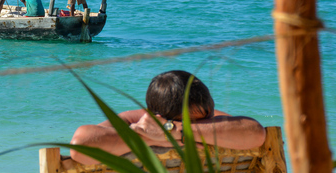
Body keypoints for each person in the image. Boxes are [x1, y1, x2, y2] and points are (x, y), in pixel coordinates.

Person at [69, 70, 266, 165]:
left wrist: (173, 132)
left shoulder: (204, 117)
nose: (205, 125)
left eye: (207, 119)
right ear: (157, 117)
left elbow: (255, 132)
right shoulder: (133, 121)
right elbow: (81, 145)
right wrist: (155, 135)